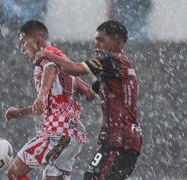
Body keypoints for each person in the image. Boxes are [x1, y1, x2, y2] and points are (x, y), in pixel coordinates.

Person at [35, 20, 142, 180]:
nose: (95, 44)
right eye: (95, 40)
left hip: (119, 139)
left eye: (101, 40)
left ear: (118, 41)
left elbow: (74, 69)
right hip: (128, 139)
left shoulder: (109, 59)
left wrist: (47, 54)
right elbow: (90, 94)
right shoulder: (120, 67)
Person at [5, 20, 95, 180]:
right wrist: (21, 112)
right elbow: (88, 93)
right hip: (75, 133)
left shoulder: (47, 54)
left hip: (57, 131)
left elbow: (50, 67)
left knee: (13, 173)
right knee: (50, 177)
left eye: (23, 43)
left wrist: (42, 94)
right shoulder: (65, 64)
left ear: (37, 38)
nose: (22, 49)